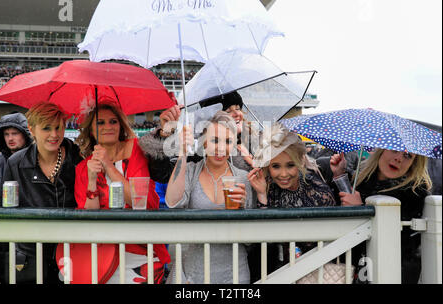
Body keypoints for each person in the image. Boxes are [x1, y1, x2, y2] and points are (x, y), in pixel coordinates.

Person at [74, 101, 170, 284]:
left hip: (141, 253)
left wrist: (109, 167)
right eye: (100, 123)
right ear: (91, 131)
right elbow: (88, 217)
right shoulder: (82, 168)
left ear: (121, 125)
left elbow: (142, 202)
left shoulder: (136, 149)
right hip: (102, 255)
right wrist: (92, 180)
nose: (108, 127)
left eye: (113, 121)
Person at [164, 111, 255, 284]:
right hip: (193, 273)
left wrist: (244, 208)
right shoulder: (190, 171)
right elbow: (172, 203)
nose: (221, 148)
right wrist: (182, 153)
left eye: (228, 141)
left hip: (235, 274)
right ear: (204, 143)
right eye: (215, 140)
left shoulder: (244, 178)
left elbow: (251, 240)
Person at [1, 102, 83, 284]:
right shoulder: (15, 163)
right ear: (31, 129)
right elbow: (6, 210)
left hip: (72, 254)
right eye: (46, 128)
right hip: (29, 258)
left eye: (58, 127)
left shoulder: (78, 158)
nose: (54, 135)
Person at [323, 149, 432, 284]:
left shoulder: (414, 195)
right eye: (394, 150)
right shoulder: (362, 178)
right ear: (381, 150)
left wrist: (361, 210)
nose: (399, 158)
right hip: (348, 270)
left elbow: (400, 244)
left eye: (408, 156)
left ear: (414, 163)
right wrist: (340, 176)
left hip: (389, 274)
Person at [246, 123, 336, 282]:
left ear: (300, 162)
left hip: (314, 274)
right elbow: (262, 240)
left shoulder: (319, 191)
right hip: (273, 274)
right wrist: (261, 195)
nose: (283, 174)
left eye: (290, 165)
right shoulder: (265, 187)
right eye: (275, 166)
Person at [139, 91, 258, 184]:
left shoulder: (257, 143)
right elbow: (163, 175)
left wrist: (258, 166)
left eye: (238, 108)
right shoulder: (200, 151)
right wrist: (164, 135)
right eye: (228, 111)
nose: (237, 114)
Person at [0, 112, 32, 283]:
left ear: (25, 134)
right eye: (6, 134)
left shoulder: (36, 159)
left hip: (29, 236)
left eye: (15, 133)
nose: (10, 138)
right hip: (2, 237)